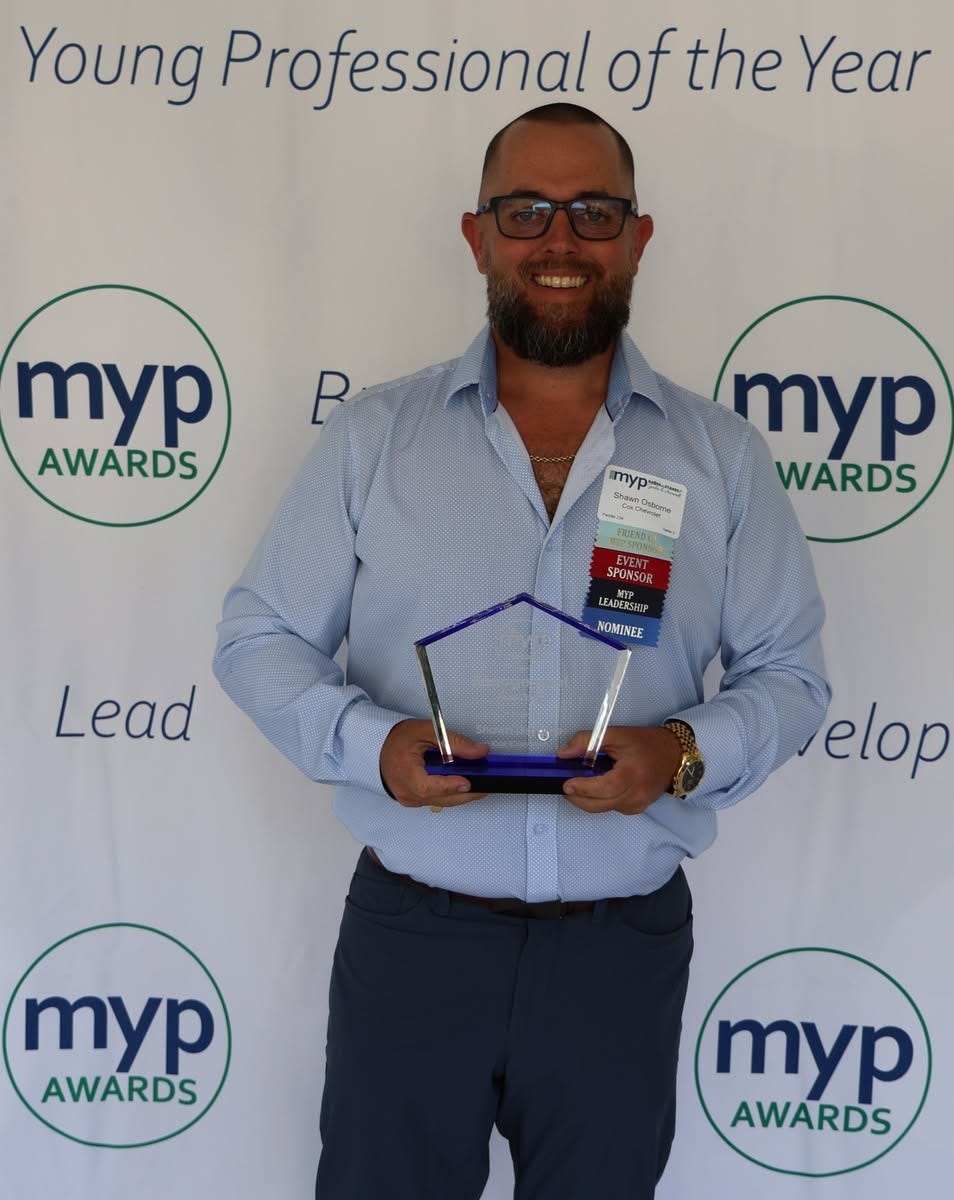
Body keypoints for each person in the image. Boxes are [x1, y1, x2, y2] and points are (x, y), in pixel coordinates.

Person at [214, 103, 829, 1200]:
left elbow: (790, 674)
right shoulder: (374, 440)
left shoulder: (722, 459)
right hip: (415, 942)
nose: (560, 240)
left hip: (618, 956)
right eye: (526, 211)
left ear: (638, 238)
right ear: (477, 235)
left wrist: (680, 753)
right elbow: (259, 638)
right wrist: (373, 747)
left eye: (594, 212)